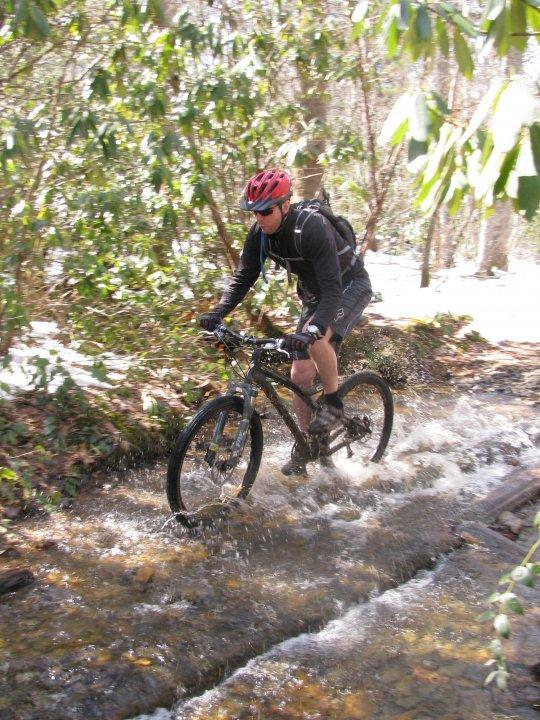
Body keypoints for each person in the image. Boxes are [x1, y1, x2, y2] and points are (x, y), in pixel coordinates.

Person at [199, 168, 372, 475]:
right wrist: (217, 312)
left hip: (347, 286)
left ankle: (333, 403)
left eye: (265, 211)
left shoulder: (312, 227)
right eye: (254, 213)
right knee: (299, 373)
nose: (259, 218)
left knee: (317, 338)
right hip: (314, 294)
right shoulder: (260, 235)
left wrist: (315, 330)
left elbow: (333, 289)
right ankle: (308, 445)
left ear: (284, 205)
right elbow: (243, 277)